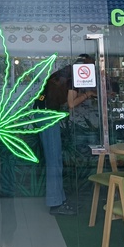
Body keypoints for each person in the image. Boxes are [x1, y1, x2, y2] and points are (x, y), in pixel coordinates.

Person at [38, 54, 96, 216]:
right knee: (54, 160)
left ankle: (59, 199)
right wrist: (88, 94)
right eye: (92, 66)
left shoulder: (63, 73)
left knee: (54, 159)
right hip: (48, 116)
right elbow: (71, 103)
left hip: (42, 114)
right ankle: (55, 203)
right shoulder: (74, 77)